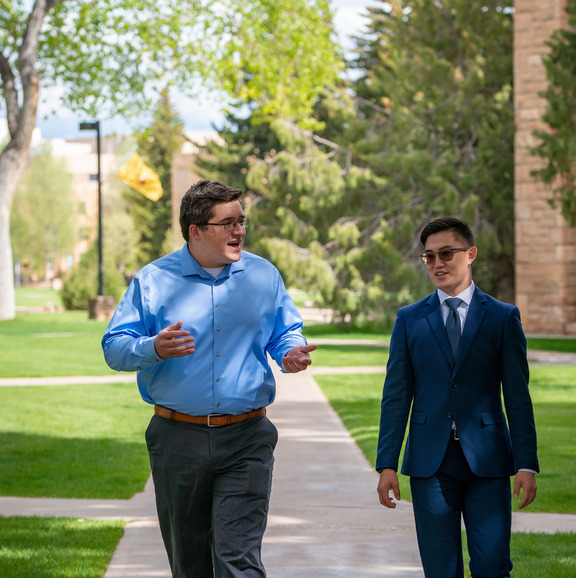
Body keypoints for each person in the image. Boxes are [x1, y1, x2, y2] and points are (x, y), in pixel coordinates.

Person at [102, 179, 317, 577]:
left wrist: (289, 352)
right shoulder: (152, 281)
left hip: (247, 438)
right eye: (228, 223)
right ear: (195, 231)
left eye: (241, 221)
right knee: (191, 564)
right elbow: (114, 348)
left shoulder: (264, 275)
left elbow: (285, 331)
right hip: (177, 441)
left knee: (238, 560)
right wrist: (153, 348)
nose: (239, 231)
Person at [375, 217, 539, 578]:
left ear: (470, 254)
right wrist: (386, 463)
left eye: (446, 253)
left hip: (489, 461)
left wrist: (526, 463)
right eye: (429, 257)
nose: (437, 263)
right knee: (440, 569)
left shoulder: (502, 317)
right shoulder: (410, 319)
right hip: (429, 464)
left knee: (493, 566)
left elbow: (517, 397)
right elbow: (396, 397)